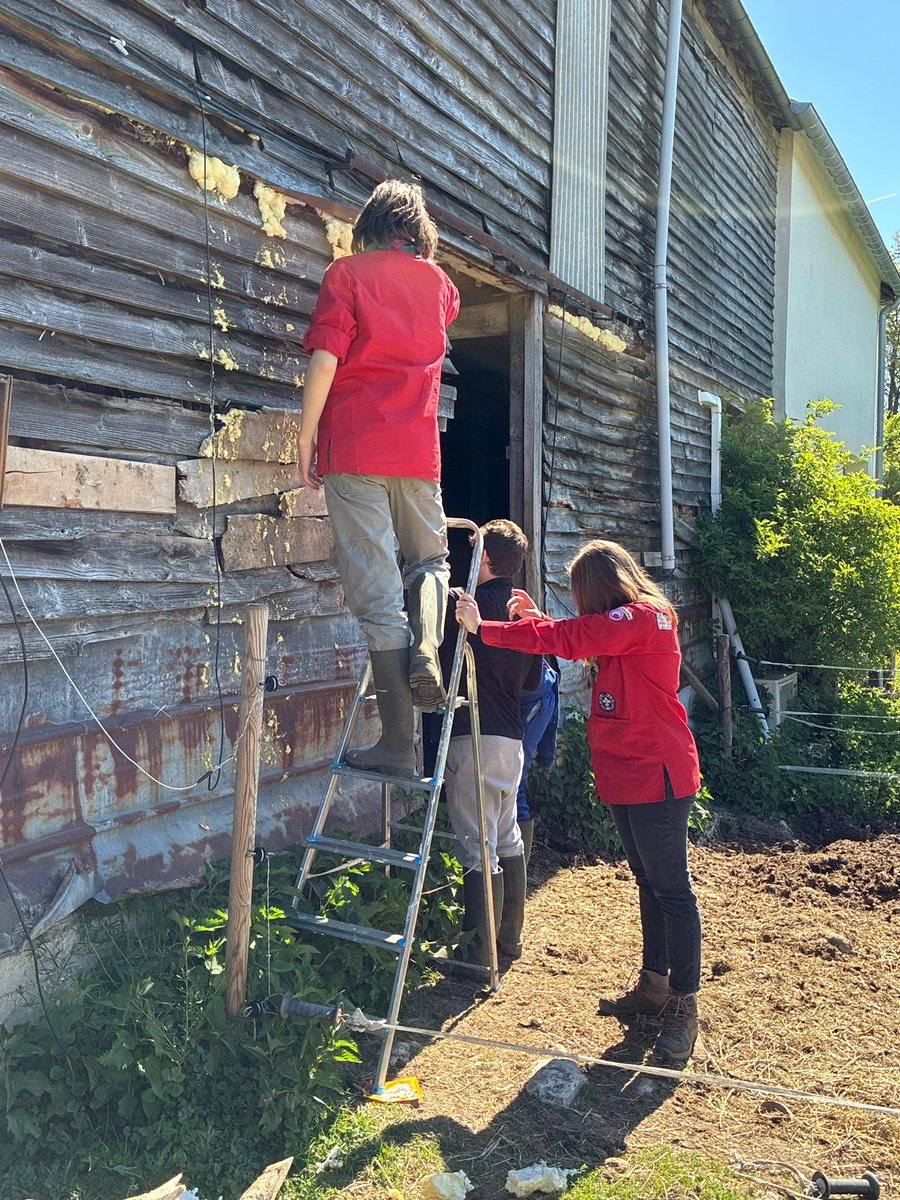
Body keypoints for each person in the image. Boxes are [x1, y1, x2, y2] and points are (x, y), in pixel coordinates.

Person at [454, 539, 703, 1062]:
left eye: (578, 591)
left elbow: (576, 638)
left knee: (672, 890)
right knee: (649, 883)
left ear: (597, 587)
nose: (578, 601)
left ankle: (684, 1003)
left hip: (656, 769)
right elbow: (584, 636)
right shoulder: (624, 623)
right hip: (627, 772)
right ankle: (655, 984)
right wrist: (538, 620)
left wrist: (488, 628)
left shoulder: (646, 615)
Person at [298, 180, 460, 776]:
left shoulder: (347, 274)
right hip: (417, 452)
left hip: (355, 446)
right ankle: (427, 648)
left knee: (375, 591)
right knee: (431, 563)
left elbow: (325, 359)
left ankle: (397, 745)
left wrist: (305, 434)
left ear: (368, 223)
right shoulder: (441, 286)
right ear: (417, 232)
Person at [440, 520, 542, 968]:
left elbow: (442, 667)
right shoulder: (525, 617)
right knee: (506, 836)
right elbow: (534, 682)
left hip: (473, 733)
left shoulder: (467, 609)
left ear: (483, 558)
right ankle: (509, 941)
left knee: (474, 843)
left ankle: (478, 955)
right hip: (512, 737)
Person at [515, 656, 559, 863]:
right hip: (530, 694)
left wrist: (547, 755)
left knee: (515, 783)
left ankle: (518, 869)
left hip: (534, 698)